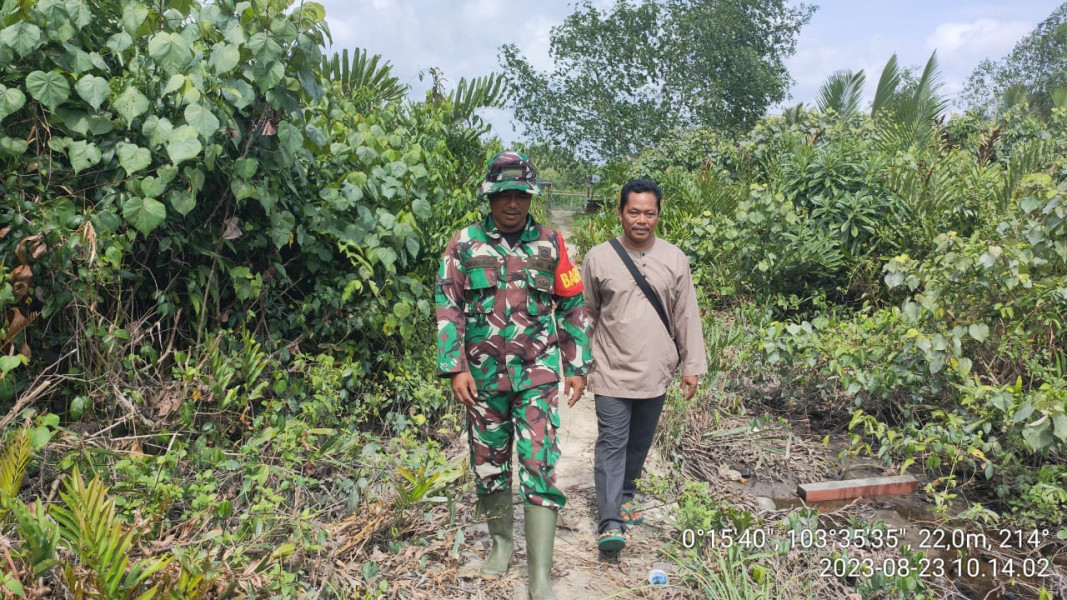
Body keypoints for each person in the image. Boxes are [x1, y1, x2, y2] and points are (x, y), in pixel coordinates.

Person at [435, 150, 591, 600]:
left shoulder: (551, 244)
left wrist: (577, 365)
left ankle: (540, 573)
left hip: (538, 376)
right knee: (488, 464)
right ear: (490, 196)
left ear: (530, 196)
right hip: (482, 380)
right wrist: (455, 367)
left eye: (519, 195)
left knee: (540, 464)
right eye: (503, 195)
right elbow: (448, 309)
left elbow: (572, 305)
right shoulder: (463, 245)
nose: (511, 204)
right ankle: (502, 544)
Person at [580, 178, 707, 552]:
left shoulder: (674, 259)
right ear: (620, 213)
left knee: (639, 443)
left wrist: (691, 364)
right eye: (633, 212)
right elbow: (585, 314)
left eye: (649, 213)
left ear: (658, 215)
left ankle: (628, 492)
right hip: (611, 370)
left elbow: (686, 315)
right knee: (612, 443)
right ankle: (609, 520)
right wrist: (576, 366)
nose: (641, 220)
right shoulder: (598, 258)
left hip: (656, 372)